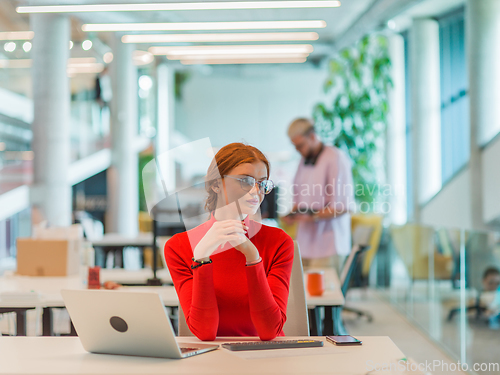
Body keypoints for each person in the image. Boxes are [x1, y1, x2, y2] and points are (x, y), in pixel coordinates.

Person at [164, 143, 294, 341]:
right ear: (216, 184)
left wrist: (253, 257)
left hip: (267, 358)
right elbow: (205, 332)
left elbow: (269, 331)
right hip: (212, 359)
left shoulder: (278, 242)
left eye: (262, 183)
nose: (256, 192)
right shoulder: (179, 247)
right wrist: (201, 258)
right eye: (245, 181)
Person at [283, 118, 354, 271]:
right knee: (303, 293)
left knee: (325, 295)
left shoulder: (336, 158)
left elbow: (342, 206)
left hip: (329, 245)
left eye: (300, 145)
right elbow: (298, 199)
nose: (298, 150)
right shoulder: (303, 161)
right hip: (305, 244)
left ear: (313, 136)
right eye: (295, 146)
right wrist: (292, 214)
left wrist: (313, 216)